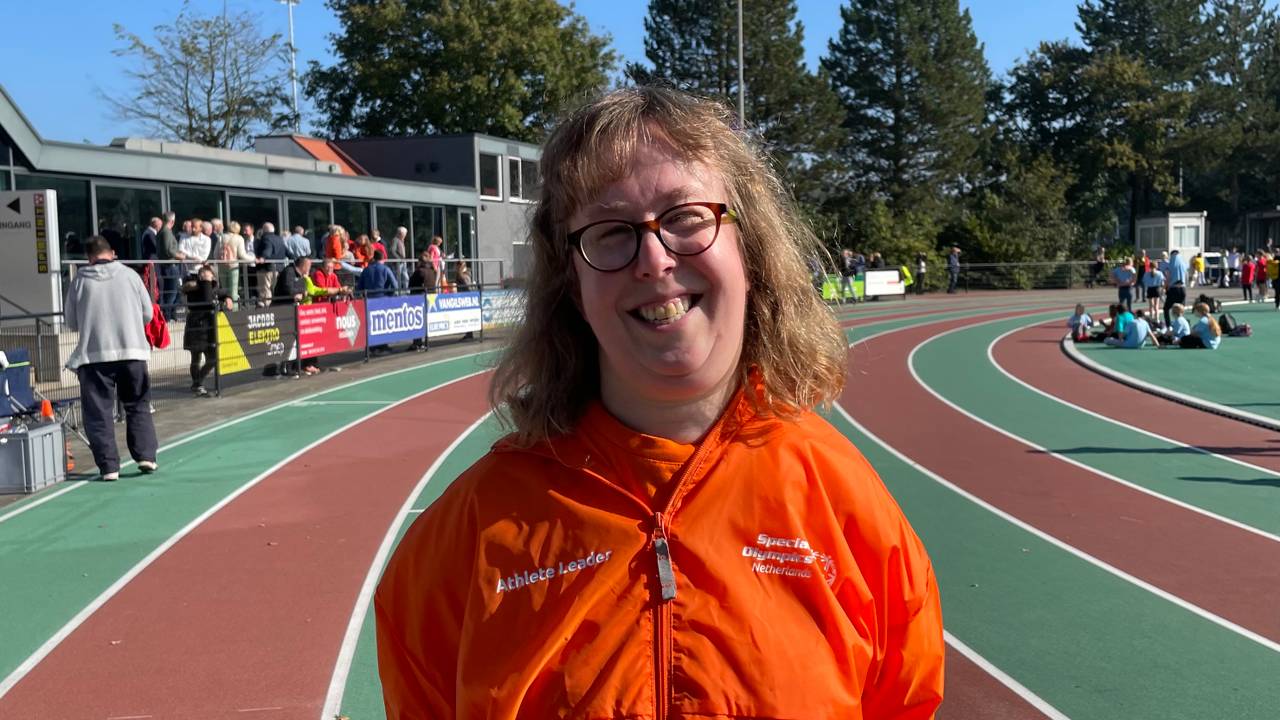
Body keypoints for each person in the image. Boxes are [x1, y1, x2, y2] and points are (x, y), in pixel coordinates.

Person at [374, 87, 944, 718]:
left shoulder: (849, 508)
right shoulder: (465, 540)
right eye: (610, 232)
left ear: (750, 250)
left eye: (687, 218)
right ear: (572, 283)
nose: (653, 258)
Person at [63, 237, 159, 481]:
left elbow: (71, 322)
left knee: (98, 413)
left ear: (89, 258)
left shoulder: (79, 281)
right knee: (138, 405)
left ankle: (109, 467)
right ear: (113, 253)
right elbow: (148, 313)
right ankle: (146, 455)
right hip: (132, 351)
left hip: (94, 355)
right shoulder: (130, 276)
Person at [181, 264, 231, 396]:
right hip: (196, 325)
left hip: (208, 327)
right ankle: (197, 384)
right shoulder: (194, 287)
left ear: (213, 275)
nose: (203, 274)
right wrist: (206, 283)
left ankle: (197, 382)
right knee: (195, 357)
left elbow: (222, 292)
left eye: (207, 272)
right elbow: (207, 300)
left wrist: (227, 297)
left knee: (213, 358)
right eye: (202, 272)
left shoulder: (213, 287)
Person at [216, 221, 252, 305]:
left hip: (221, 266)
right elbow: (242, 255)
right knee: (233, 291)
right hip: (233, 266)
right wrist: (253, 259)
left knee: (224, 290)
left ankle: (225, 308)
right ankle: (234, 309)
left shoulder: (221, 237)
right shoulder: (239, 238)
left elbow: (215, 253)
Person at [255, 223, 289, 306]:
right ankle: (276, 306)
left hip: (266, 268)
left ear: (264, 230)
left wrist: (262, 257)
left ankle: (268, 308)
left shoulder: (265, 238)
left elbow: (268, 249)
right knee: (275, 289)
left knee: (265, 289)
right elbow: (287, 251)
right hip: (279, 268)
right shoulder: (280, 239)